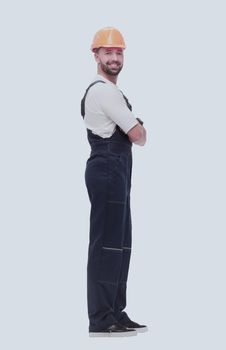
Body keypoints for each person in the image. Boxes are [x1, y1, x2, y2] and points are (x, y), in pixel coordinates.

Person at [81, 27, 148, 337]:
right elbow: (138, 135)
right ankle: (100, 317)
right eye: (108, 52)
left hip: (116, 170)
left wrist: (135, 128)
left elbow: (135, 134)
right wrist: (138, 126)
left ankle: (116, 312)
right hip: (108, 168)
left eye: (119, 52)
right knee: (105, 244)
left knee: (120, 244)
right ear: (96, 55)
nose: (114, 57)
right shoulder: (103, 91)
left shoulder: (112, 91)